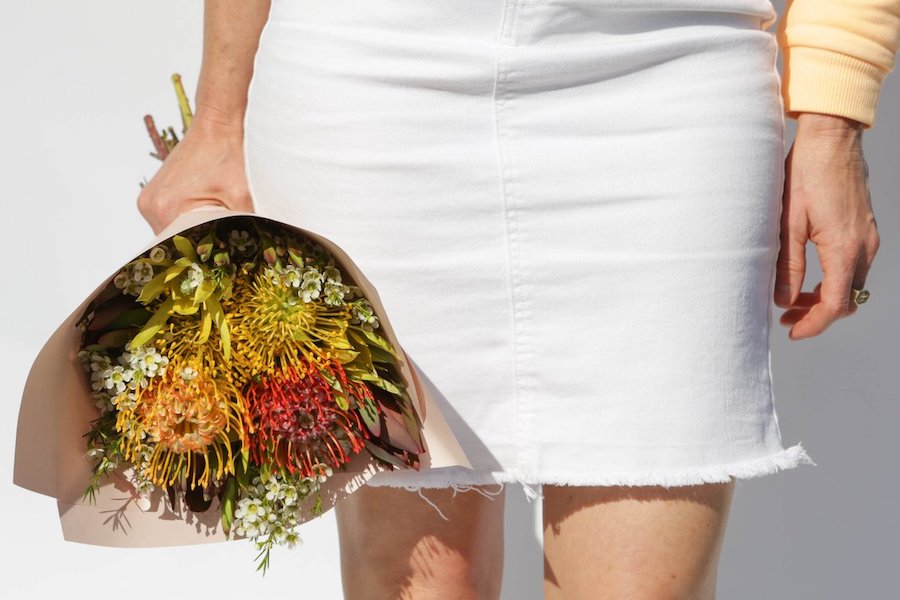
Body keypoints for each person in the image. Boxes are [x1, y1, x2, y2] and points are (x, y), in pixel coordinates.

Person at [137, 1, 899, 598]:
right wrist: (219, 119)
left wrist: (835, 115)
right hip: (370, 72)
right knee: (417, 584)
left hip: (671, 60)